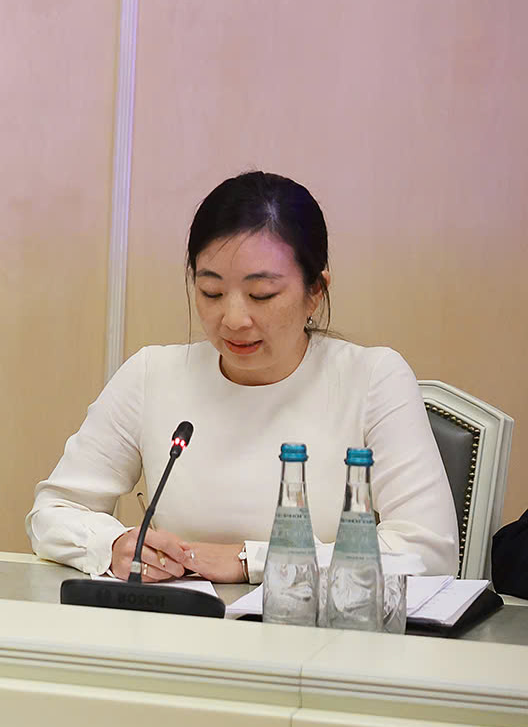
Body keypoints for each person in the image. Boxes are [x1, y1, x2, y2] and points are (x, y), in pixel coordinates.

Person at [28, 170, 457, 581]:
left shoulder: (373, 379)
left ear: (315, 291)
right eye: (211, 292)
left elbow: (427, 551)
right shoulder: (151, 375)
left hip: (319, 626)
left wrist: (250, 560)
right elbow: (53, 513)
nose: (233, 319)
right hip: (180, 624)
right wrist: (113, 544)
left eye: (261, 295)